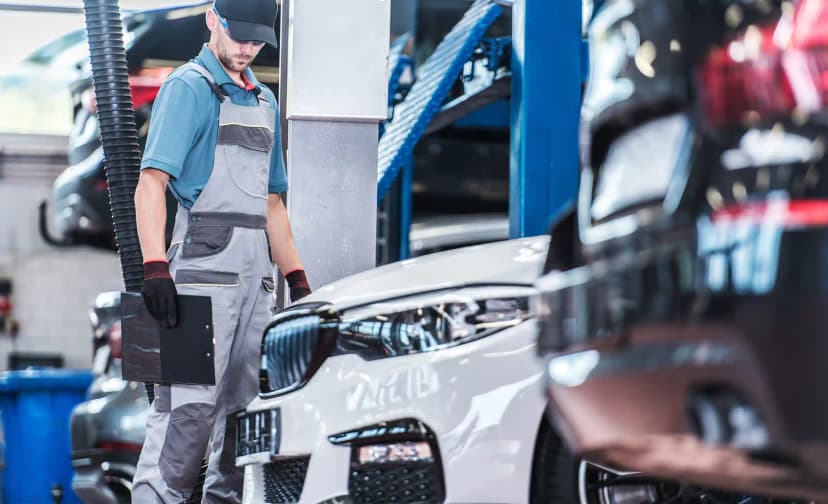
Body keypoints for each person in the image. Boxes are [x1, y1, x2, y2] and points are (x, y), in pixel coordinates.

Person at [131, 0, 310, 501]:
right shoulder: (188, 87)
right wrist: (155, 267)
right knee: (185, 417)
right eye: (238, 36)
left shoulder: (265, 101)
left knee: (246, 421)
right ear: (213, 19)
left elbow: (272, 203)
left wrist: (297, 280)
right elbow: (151, 183)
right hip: (199, 278)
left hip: (257, 283)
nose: (247, 49)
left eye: (257, 40)